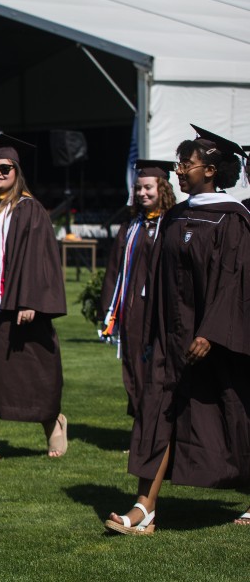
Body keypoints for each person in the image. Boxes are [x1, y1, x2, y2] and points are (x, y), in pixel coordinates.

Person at [107, 125, 250, 534]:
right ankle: (144, 508)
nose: (178, 170)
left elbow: (234, 281)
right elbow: (158, 278)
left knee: (234, 418)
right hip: (171, 342)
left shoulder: (233, 219)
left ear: (209, 169)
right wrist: (152, 334)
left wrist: (211, 332)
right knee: (156, 415)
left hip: (216, 345)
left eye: (184, 164)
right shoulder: (176, 216)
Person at [0, 134, 67, 463]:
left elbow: (40, 258)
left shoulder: (29, 210)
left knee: (29, 368)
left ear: (17, 171)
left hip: (14, 306)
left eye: (5, 167)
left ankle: (53, 424)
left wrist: (30, 300)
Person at [99, 160, 177, 418]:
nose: (142, 193)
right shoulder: (131, 227)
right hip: (133, 310)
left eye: (148, 188)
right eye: (138, 188)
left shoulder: (174, 225)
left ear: (162, 188)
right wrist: (108, 308)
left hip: (161, 310)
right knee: (133, 366)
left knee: (157, 367)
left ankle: (158, 428)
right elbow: (114, 271)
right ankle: (140, 427)